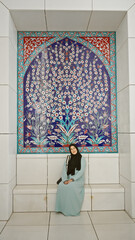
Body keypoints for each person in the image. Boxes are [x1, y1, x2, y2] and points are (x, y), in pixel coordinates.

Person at [55, 143, 86, 216]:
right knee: (61, 186)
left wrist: (72, 180)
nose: (73, 150)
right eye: (71, 149)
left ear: (77, 149)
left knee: (71, 187)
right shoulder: (68, 158)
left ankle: (72, 210)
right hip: (68, 179)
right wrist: (65, 180)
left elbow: (81, 172)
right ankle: (62, 209)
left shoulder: (82, 158)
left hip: (78, 180)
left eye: (74, 148)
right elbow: (64, 170)